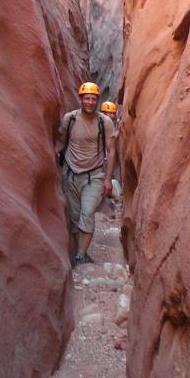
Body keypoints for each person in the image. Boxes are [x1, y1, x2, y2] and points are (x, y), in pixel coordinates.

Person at [57, 82, 116, 266]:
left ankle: (80, 256)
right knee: (74, 218)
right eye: (87, 98)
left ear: (97, 100)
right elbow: (62, 141)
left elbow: (111, 150)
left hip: (94, 175)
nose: (90, 102)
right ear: (81, 99)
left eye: (93, 99)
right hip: (71, 174)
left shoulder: (104, 122)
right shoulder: (70, 119)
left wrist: (108, 179)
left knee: (87, 213)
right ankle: (77, 253)